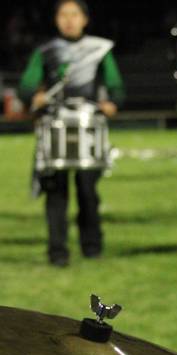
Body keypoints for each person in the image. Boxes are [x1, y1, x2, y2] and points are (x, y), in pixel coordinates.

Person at [18, 0, 124, 267]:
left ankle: (92, 247)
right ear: (56, 20)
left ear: (85, 19)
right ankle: (58, 252)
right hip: (55, 126)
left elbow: (116, 86)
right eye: (63, 15)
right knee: (56, 192)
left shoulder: (101, 48)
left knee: (88, 189)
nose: (69, 20)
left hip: (88, 127)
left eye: (74, 14)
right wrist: (36, 96)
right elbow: (26, 87)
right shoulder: (45, 51)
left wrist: (113, 103)